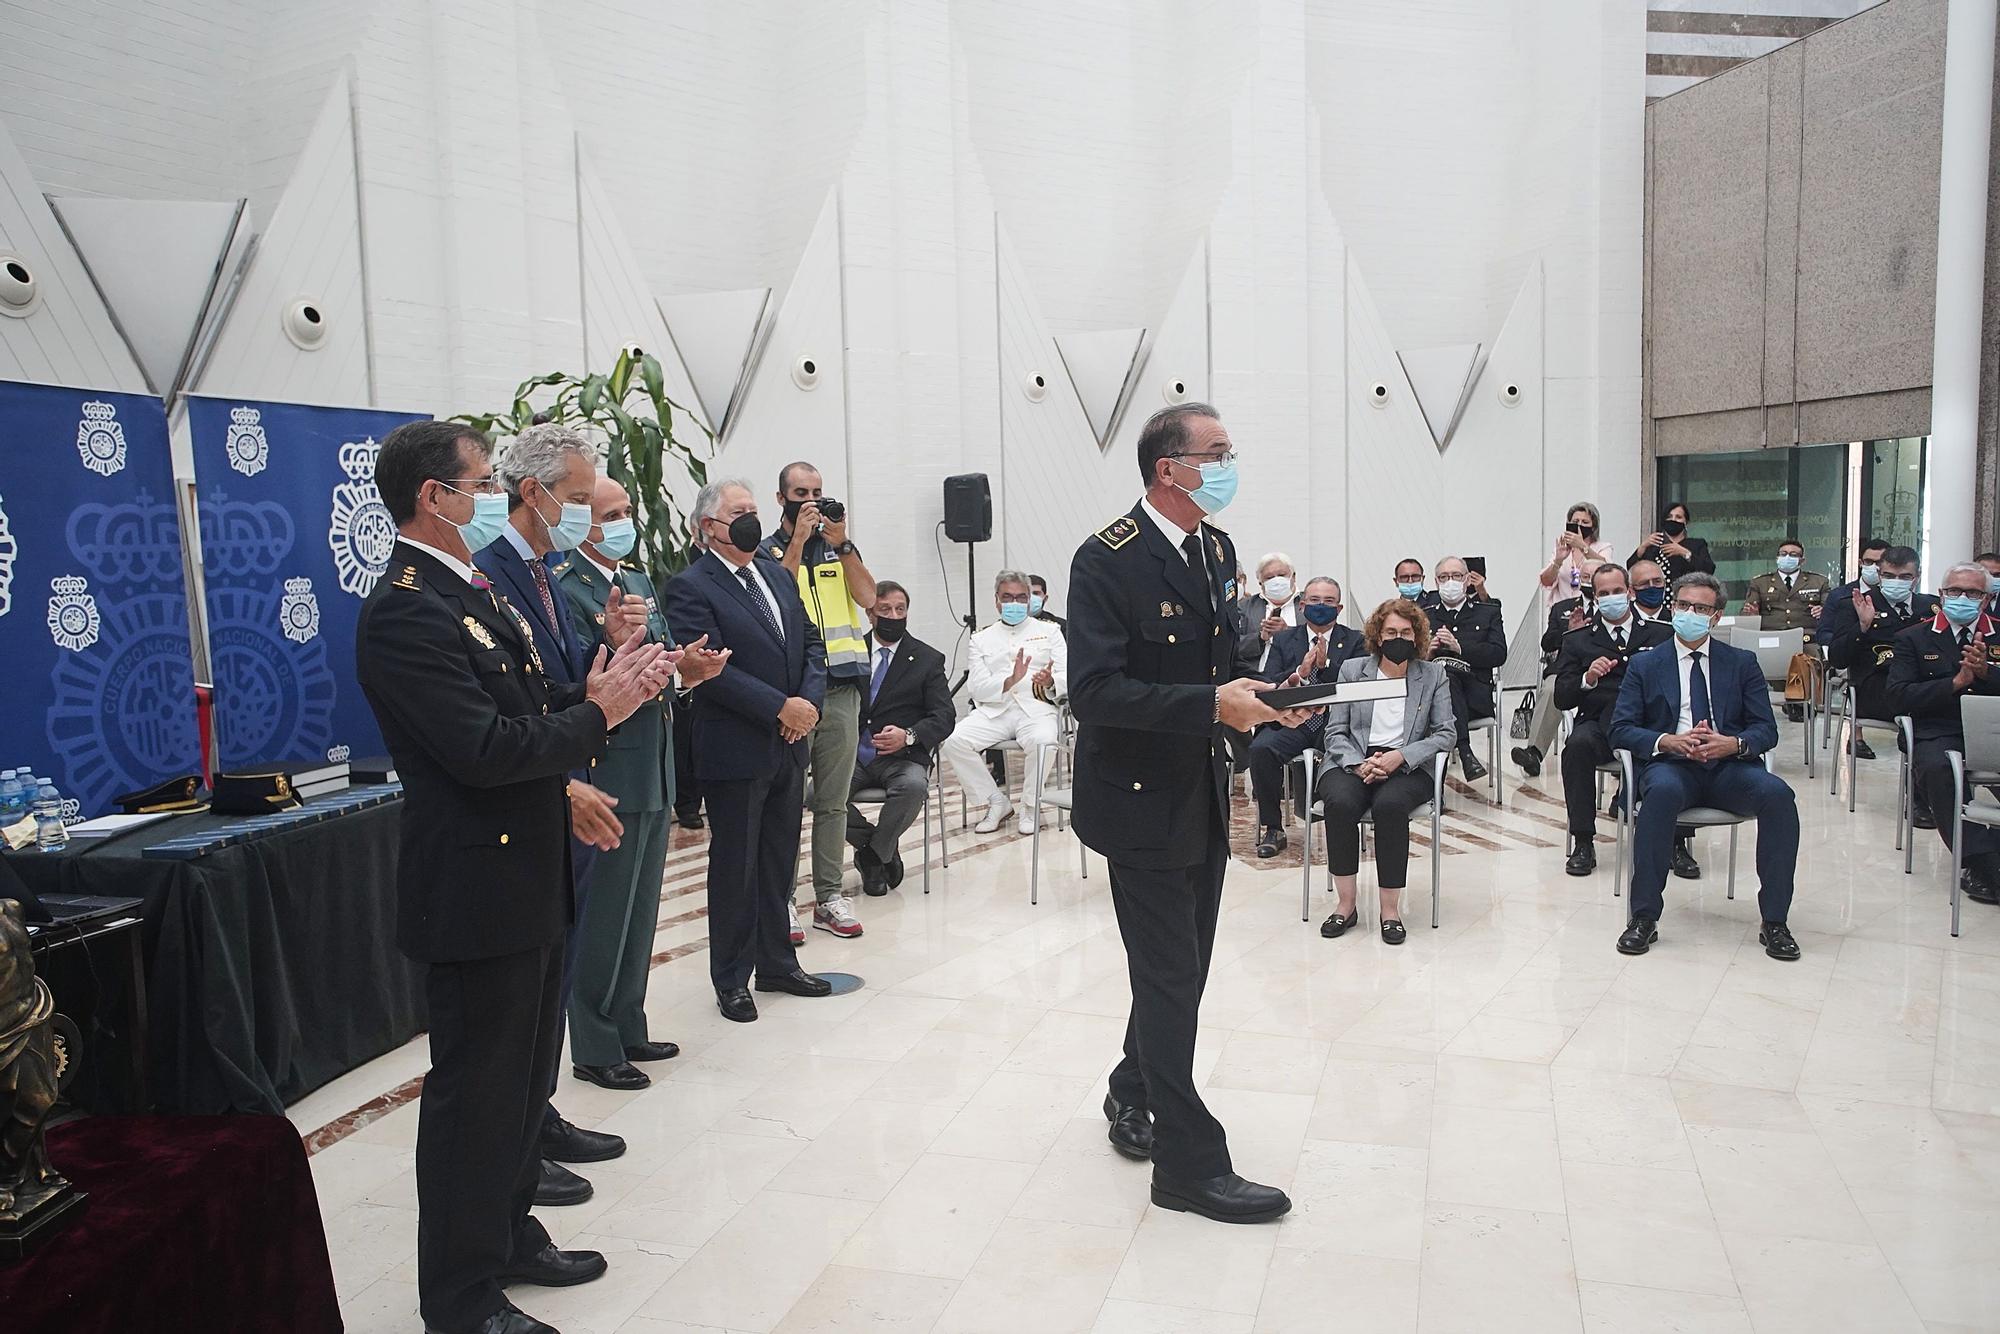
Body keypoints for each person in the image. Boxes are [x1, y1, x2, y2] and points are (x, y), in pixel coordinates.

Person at [357, 420, 678, 1334]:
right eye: (484, 480)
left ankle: (509, 1236)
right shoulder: (408, 607)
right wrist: (596, 716)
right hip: (474, 890)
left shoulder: (472, 590)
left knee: (521, 1085)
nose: (493, 494)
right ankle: (460, 1298)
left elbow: (534, 706)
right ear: (436, 496)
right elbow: (482, 749)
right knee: (475, 1101)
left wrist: (601, 692)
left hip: (527, 876)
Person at [1067, 401, 1303, 1225]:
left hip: (1199, 789)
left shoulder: (1215, 546)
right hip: (1136, 800)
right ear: (1169, 469)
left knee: (1185, 967)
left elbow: (1224, 662)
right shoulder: (1106, 560)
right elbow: (1093, 692)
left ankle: (1131, 1087)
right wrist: (1215, 702)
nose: (1230, 463)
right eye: (1218, 452)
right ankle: (1188, 1163)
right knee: (1170, 976)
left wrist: (1271, 698)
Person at [473, 424, 627, 1206]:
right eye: (574, 500)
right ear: (530, 494)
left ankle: (542, 1111)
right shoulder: (492, 575)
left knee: (558, 965)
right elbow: (510, 706)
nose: (581, 514)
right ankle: (523, 1132)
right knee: (529, 987)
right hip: (538, 794)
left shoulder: (546, 570)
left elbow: (561, 680)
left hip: (569, 781)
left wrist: (611, 662)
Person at [555, 477, 722, 1092]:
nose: (625, 521)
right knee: (605, 907)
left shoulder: (640, 579)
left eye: (628, 510)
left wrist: (690, 669)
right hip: (610, 761)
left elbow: (663, 656)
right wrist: (615, 642)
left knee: (641, 902)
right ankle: (594, 1042)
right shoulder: (566, 584)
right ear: (583, 520)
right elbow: (577, 674)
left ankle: (628, 1019)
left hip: (655, 757)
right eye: (611, 513)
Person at [666, 479, 832, 1022]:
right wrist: (778, 708)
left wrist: (804, 704)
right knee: (735, 865)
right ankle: (732, 977)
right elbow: (712, 669)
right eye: (740, 513)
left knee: (779, 858)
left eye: (755, 511)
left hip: (789, 741)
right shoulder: (691, 586)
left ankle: (778, 962)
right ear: (708, 527)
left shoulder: (775, 574)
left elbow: (810, 642)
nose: (751, 521)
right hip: (736, 744)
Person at [1609, 572, 1801, 962]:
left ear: (1715, 617)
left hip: (1729, 768)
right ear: (1672, 607)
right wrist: (1668, 741)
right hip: (1672, 766)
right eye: (1683, 605)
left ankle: (1775, 921)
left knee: (1778, 795)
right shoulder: (1646, 665)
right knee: (1659, 794)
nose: (1689, 613)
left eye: (1700, 608)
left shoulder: (1741, 663)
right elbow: (1621, 728)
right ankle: (1643, 917)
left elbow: (1766, 728)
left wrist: (1733, 743)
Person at [763, 461, 877, 940]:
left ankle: (828, 895)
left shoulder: (837, 549)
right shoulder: (767, 550)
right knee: (787, 800)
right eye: (800, 492)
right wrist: (797, 542)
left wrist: (842, 543)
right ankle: (782, 898)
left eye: (817, 491)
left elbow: (869, 597)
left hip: (843, 688)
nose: (810, 500)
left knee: (833, 801)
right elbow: (774, 595)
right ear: (781, 498)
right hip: (794, 694)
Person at [1313, 599, 1458, 943]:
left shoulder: (1432, 674)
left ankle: (1389, 910)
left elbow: (1446, 733)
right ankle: (1346, 904)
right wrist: (1357, 762)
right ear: (1378, 636)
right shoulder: (1353, 670)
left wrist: (1401, 756)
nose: (1398, 638)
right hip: (1353, 760)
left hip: (1408, 766)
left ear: (1417, 636)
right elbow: (1335, 731)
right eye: (1391, 631)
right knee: (1341, 803)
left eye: (1406, 632)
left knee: (1390, 807)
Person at [1888, 563, 2000, 905]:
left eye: (1973, 593)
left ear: (1986, 599)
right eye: (1955, 591)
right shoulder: (1912, 637)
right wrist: (1955, 683)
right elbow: (1898, 695)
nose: (1962, 598)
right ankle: (1981, 861)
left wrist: (1985, 675)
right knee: (1939, 770)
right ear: (1941, 594)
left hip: (1993, 729)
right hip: (1938, 730)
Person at [1552, 564, 1671, 874]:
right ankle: (1583, 841)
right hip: (1598, 724)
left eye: (1617, 591)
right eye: (1603, 593)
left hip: (1648, 722)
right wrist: (1587, 678)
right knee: (1576, 746)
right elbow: (1562, 696)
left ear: (1630, 592)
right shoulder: (1578, 640)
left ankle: (1676, 843)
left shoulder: (1660, 634)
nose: (1611, 598)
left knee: (1672, 746)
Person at [940, 571, 1069, 835]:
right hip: (995, 711)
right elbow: (976, 687)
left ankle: (1031, 806)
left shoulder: (1050, 632)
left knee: (1044, 741)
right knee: (955, 741)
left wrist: (1050, 681)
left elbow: (1068, 673)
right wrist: (1009, 681)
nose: (1015, 603)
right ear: (997, 601)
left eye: (1022, 597)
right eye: (1008, 597)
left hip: (1036, 709)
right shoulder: (981, 638)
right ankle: (995, 801)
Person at [846, 580, 954, 896]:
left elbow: (944, 717)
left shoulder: (926, 659)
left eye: (900, 609)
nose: (893, 615)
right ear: (870, 613)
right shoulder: (851, 651)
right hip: (854, 755)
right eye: (885, 610)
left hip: (902, 757)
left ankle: (872, 857)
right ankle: (877, 846)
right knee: (817, 794)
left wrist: (909, 736)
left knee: (914, 786)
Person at [1249, 577, 1364, 857]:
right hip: (1294, 721)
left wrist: (1326, 667)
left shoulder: (1355, 640)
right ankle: (1273, 828)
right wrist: (1299, 673)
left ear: (1338, 608)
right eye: (1314, 601)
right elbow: (1269, 680)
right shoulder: (1286, 638)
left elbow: (1357, 685)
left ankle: (1347, 824)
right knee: (1261, 749)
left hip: (1335, 724)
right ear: (1302, 605)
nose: (1320, 606)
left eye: (1328, 601)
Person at [1819, 544, 1935, 728]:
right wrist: (1862, 627)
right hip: (1878, 688)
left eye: (1905, 577)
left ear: (1917, 577)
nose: (1896, 581)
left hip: (1923, 686)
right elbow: (1838, 659)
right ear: (1879, 574)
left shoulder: (1931, 607)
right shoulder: (1854, 605)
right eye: (1889, 576)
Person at [1418, 556, 1506, 781]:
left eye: (1456, 576)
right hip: (1430, 700)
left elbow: (1499, 654)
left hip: (1474, 695)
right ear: (1436, 583)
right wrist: (1427, 654)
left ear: (1468, 580)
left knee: (1446, 680)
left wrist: (1460, 648)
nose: (1451, 582)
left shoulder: (1488, 612)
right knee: (1444, 677)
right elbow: (1410, 664)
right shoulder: (1425, 617)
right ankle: (1465, 751)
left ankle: (1437, 784)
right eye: (1444, 577)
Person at [1511, 585, 1594, 778]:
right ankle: (1534, 753)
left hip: (1603, 669)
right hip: (1567, 669)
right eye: (1585, 577)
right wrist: (1570, 632)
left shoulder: (1618, 609)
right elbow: (1547, 643)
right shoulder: (1562, 608)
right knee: (1550, 689)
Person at [1741, 538, 1831, 637]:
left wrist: (1823, 611)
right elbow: (1746, 614)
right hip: (1770, 636)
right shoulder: (1760, 583)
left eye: (1793, 555)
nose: (1787, 557)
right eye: (1783, 554)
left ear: (1802, 560)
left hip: (1806, 638)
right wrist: (1752, 615)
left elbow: (1831, 612)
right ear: (1777, 558)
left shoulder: (1818, 582)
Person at [1538, 502, 1614, 609]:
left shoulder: (1603, 547)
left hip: (1591, 609)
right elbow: (1546, 581)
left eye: (1585, 522)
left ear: (1593, 526)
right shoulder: (1562, 548)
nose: (1580, 525)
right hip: (1562, 612)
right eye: (1575, 522)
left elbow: (1607, 569)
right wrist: (1558, 561)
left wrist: (1582, 547)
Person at [1239, 551, 1300, 672]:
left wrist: (1287, 632)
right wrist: (1261, 638)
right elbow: (1231, 647)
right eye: (1269, 577)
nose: (1277, 581)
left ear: (1293, 576)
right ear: (1260, 582)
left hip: (1299, 678)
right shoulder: (1244, 607)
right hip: (1257, 679)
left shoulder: (1307, 604)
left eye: (1282, 575)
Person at [1628, 500, 1716, 583]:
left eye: (1678, 517)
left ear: (1686, 522)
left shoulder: (1697, 544)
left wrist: (1684, 553)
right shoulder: (1654, 546)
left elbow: (1709, 569)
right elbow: (1631, 569)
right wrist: (1643, 547)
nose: (1673, 520)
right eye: (1669, 517)